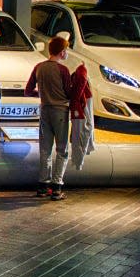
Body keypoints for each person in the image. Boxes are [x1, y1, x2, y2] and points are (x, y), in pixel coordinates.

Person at [25, 36, 73, 200]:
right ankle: (57, 186)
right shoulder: (63, 70)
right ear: (62, 52)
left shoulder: (39, 67)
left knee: (45, 149)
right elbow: (69, 93)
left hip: (44, 110)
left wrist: (42, 93)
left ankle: (43, 186)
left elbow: (28, 90)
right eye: (66, 50)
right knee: (62, 150)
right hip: (61, 111)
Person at [69, 62, 95, 170]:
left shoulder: (80, 75)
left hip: (79, 107)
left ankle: (78, 161)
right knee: (83, 131)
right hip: (81, 105)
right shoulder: (81, 74)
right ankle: (78, 161)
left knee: (81, 131)